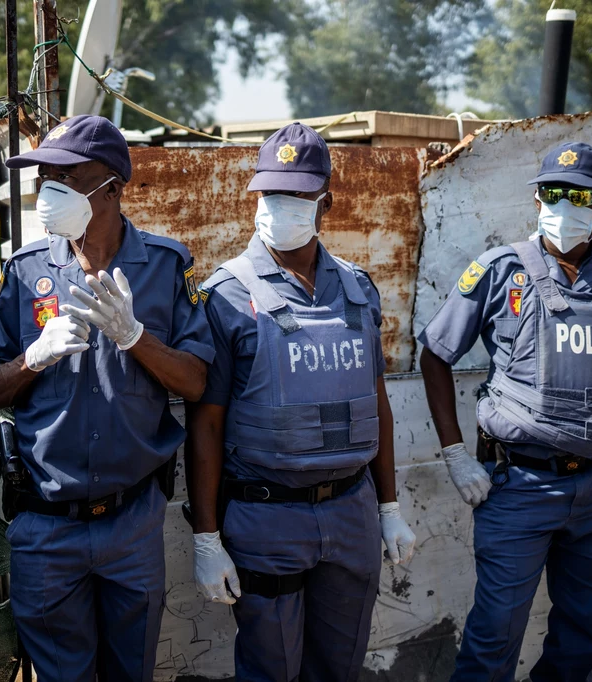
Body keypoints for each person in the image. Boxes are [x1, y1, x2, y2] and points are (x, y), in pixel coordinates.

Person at [418, 141, 592, 682]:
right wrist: (455, 455)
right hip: (520, 485)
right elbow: (435, 354)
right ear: (536, 198)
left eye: (580, 194)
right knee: (494, 637)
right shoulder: (500, 270)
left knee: (586, 631)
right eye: (554, 192)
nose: (565, 204)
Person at [0, 114, 215, 682]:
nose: (48, 190)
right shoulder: (27, 270)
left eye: (65, 176)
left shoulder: (165, 266)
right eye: (44, 176)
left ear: (111, 185)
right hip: (45, 525)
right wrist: (33, 359)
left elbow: (196, 382)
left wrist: (137, 339)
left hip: (132, 521)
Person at [185, 122, 417, 682]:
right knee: (271, 671)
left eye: (296, 196)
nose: (279, 208)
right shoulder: (227, 294)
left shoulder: (359, 289)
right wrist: (207, 538)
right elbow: (206, 425)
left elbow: (376, 405)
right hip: (268, 517)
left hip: (351, 512)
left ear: (325, 204)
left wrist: (388, 509)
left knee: (338, 668)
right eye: (270, 195)